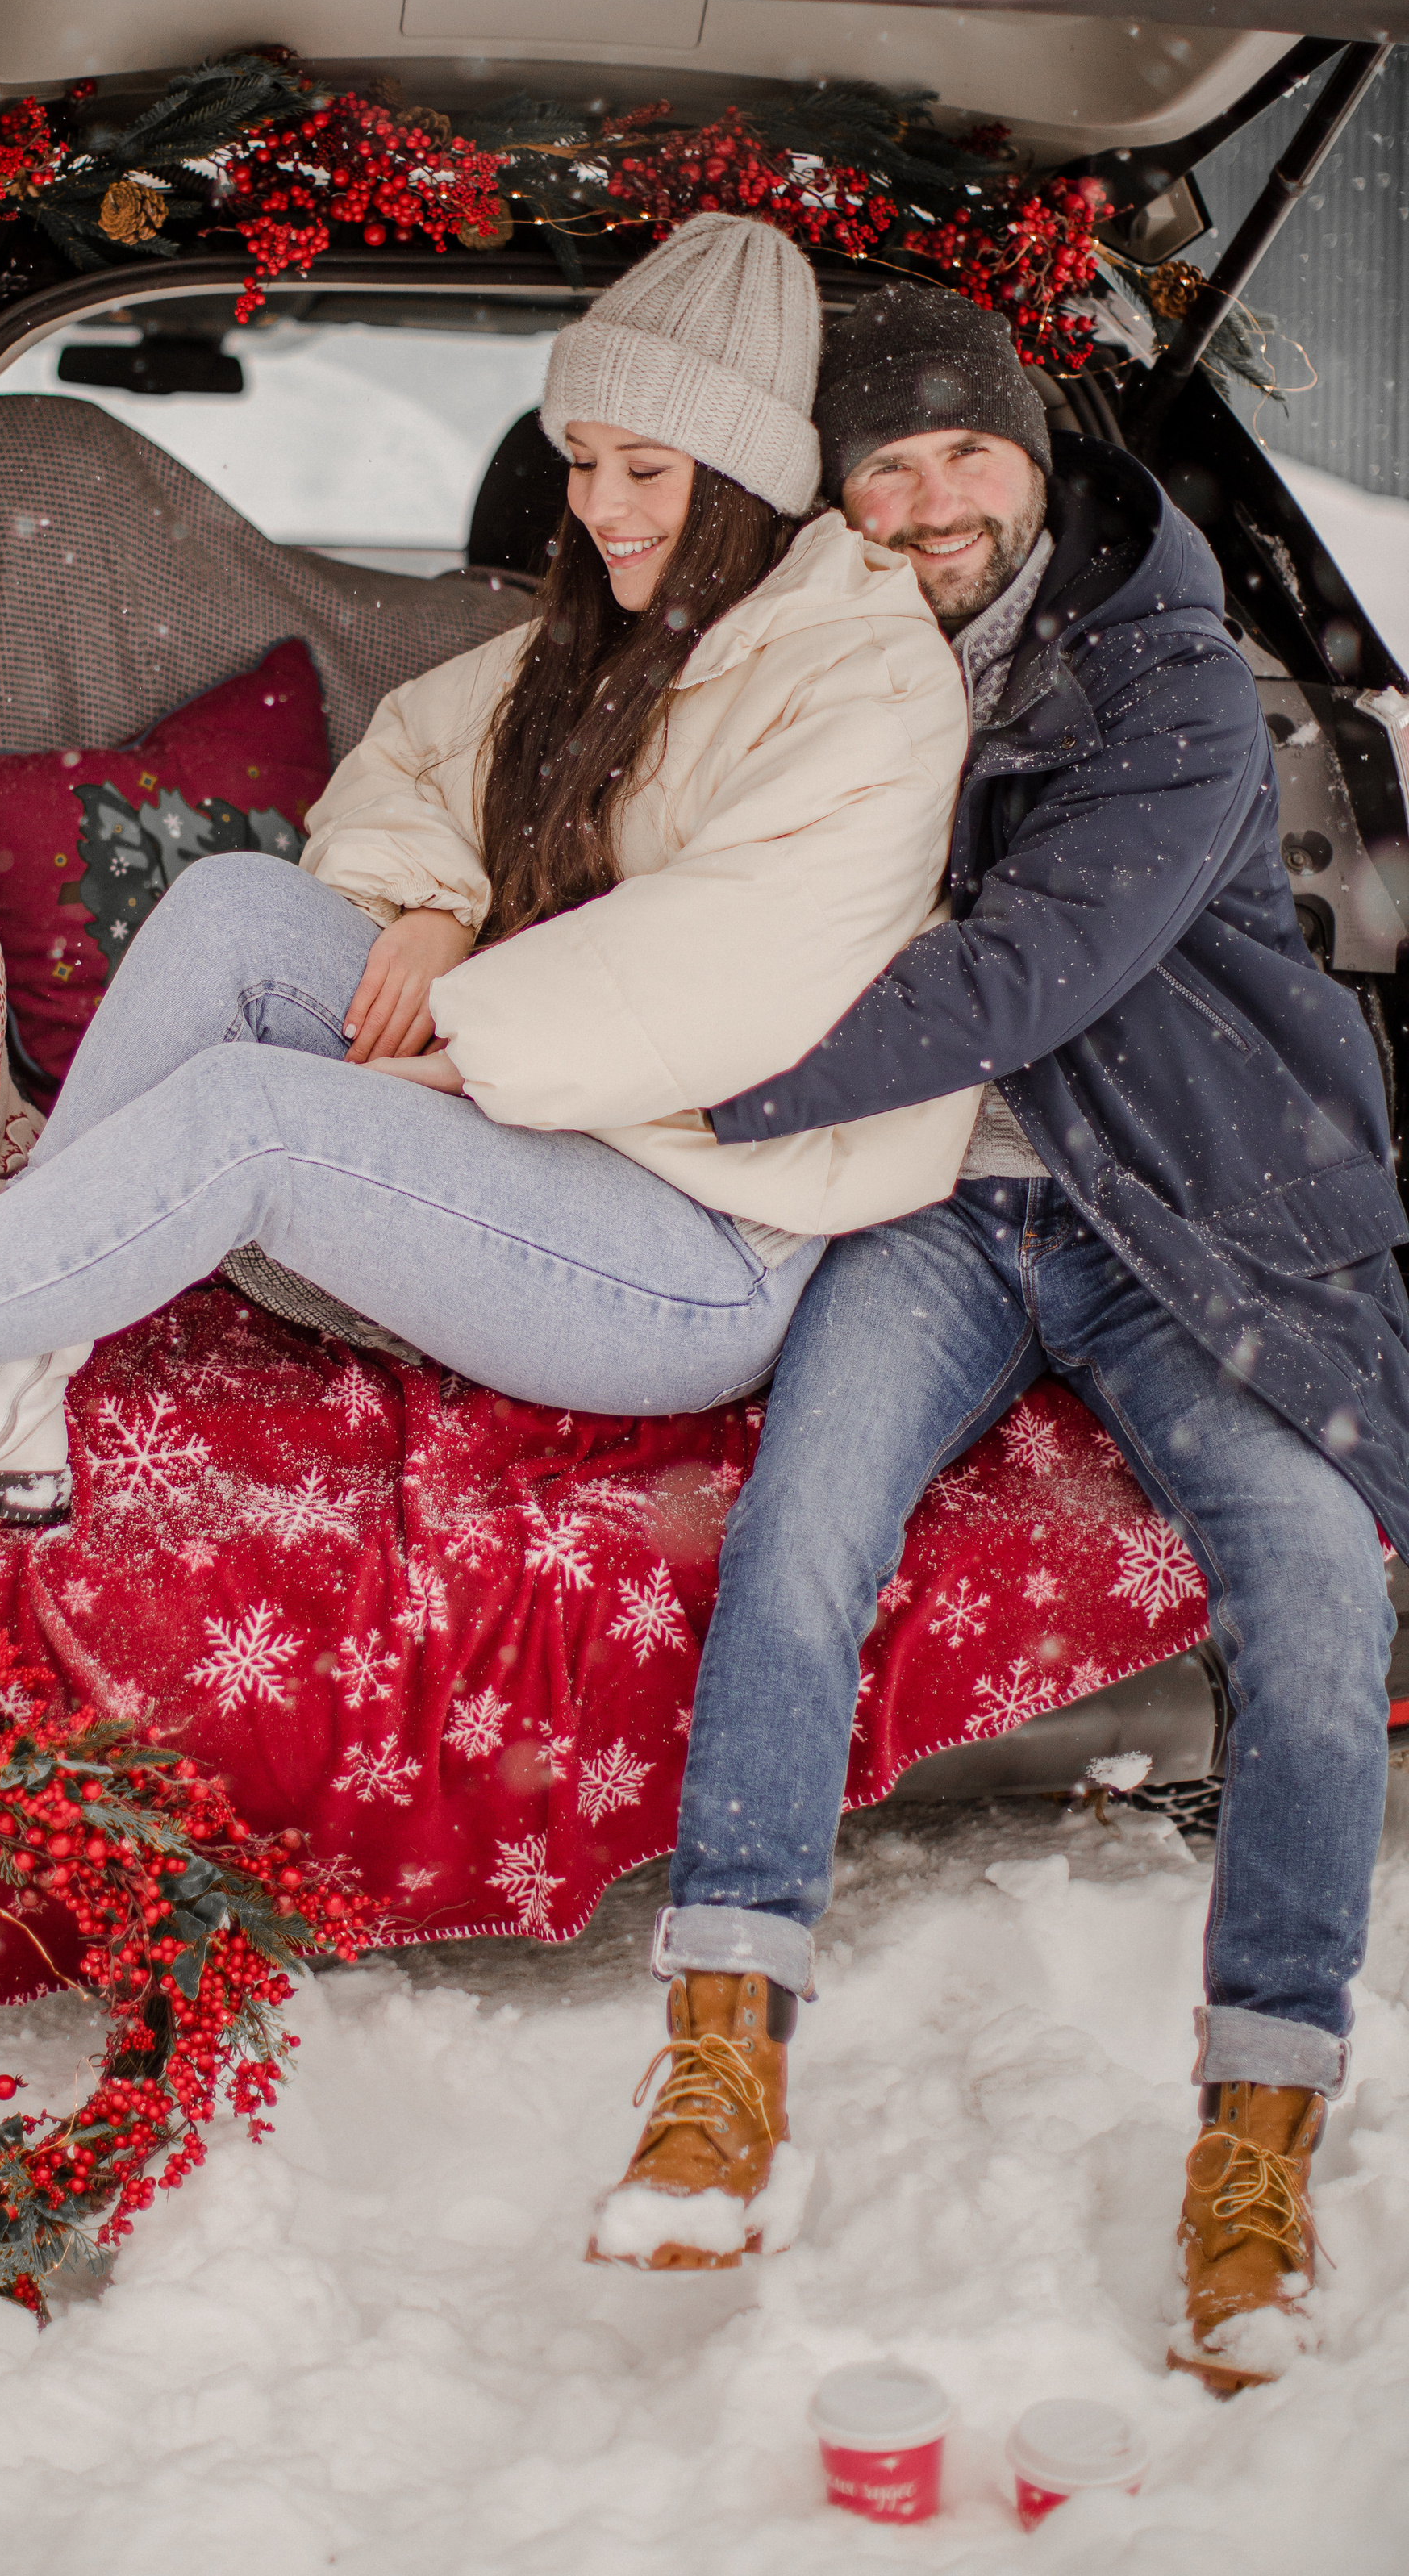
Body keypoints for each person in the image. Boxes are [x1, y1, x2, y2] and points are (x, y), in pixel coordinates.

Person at [0, 210, 978, 1549]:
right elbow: (413, 751)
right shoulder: (626, 633)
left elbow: (728, 974)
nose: (599, 506)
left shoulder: (866, 681)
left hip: (701, 1247)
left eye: (644, 470)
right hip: (577, 1133)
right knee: (236, 910)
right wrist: (430, 903)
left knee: (258, 1123)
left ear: (745, 481)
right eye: (581, 462)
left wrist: (453, 1041)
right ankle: (6, 1381)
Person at [590, 277, 1409, 2399]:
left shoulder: (1170, 683)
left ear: (1036, 459)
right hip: (932, 1208)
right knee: (800, 1537)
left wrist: (683, 1095)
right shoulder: (812, 659)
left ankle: (1258, 2141)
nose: (937, 492)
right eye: (892, 457)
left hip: (1184, 1213)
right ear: (840, 494)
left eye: (972, 447)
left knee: (1318, 1604)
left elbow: (1016, 977)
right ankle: (721, 2068)